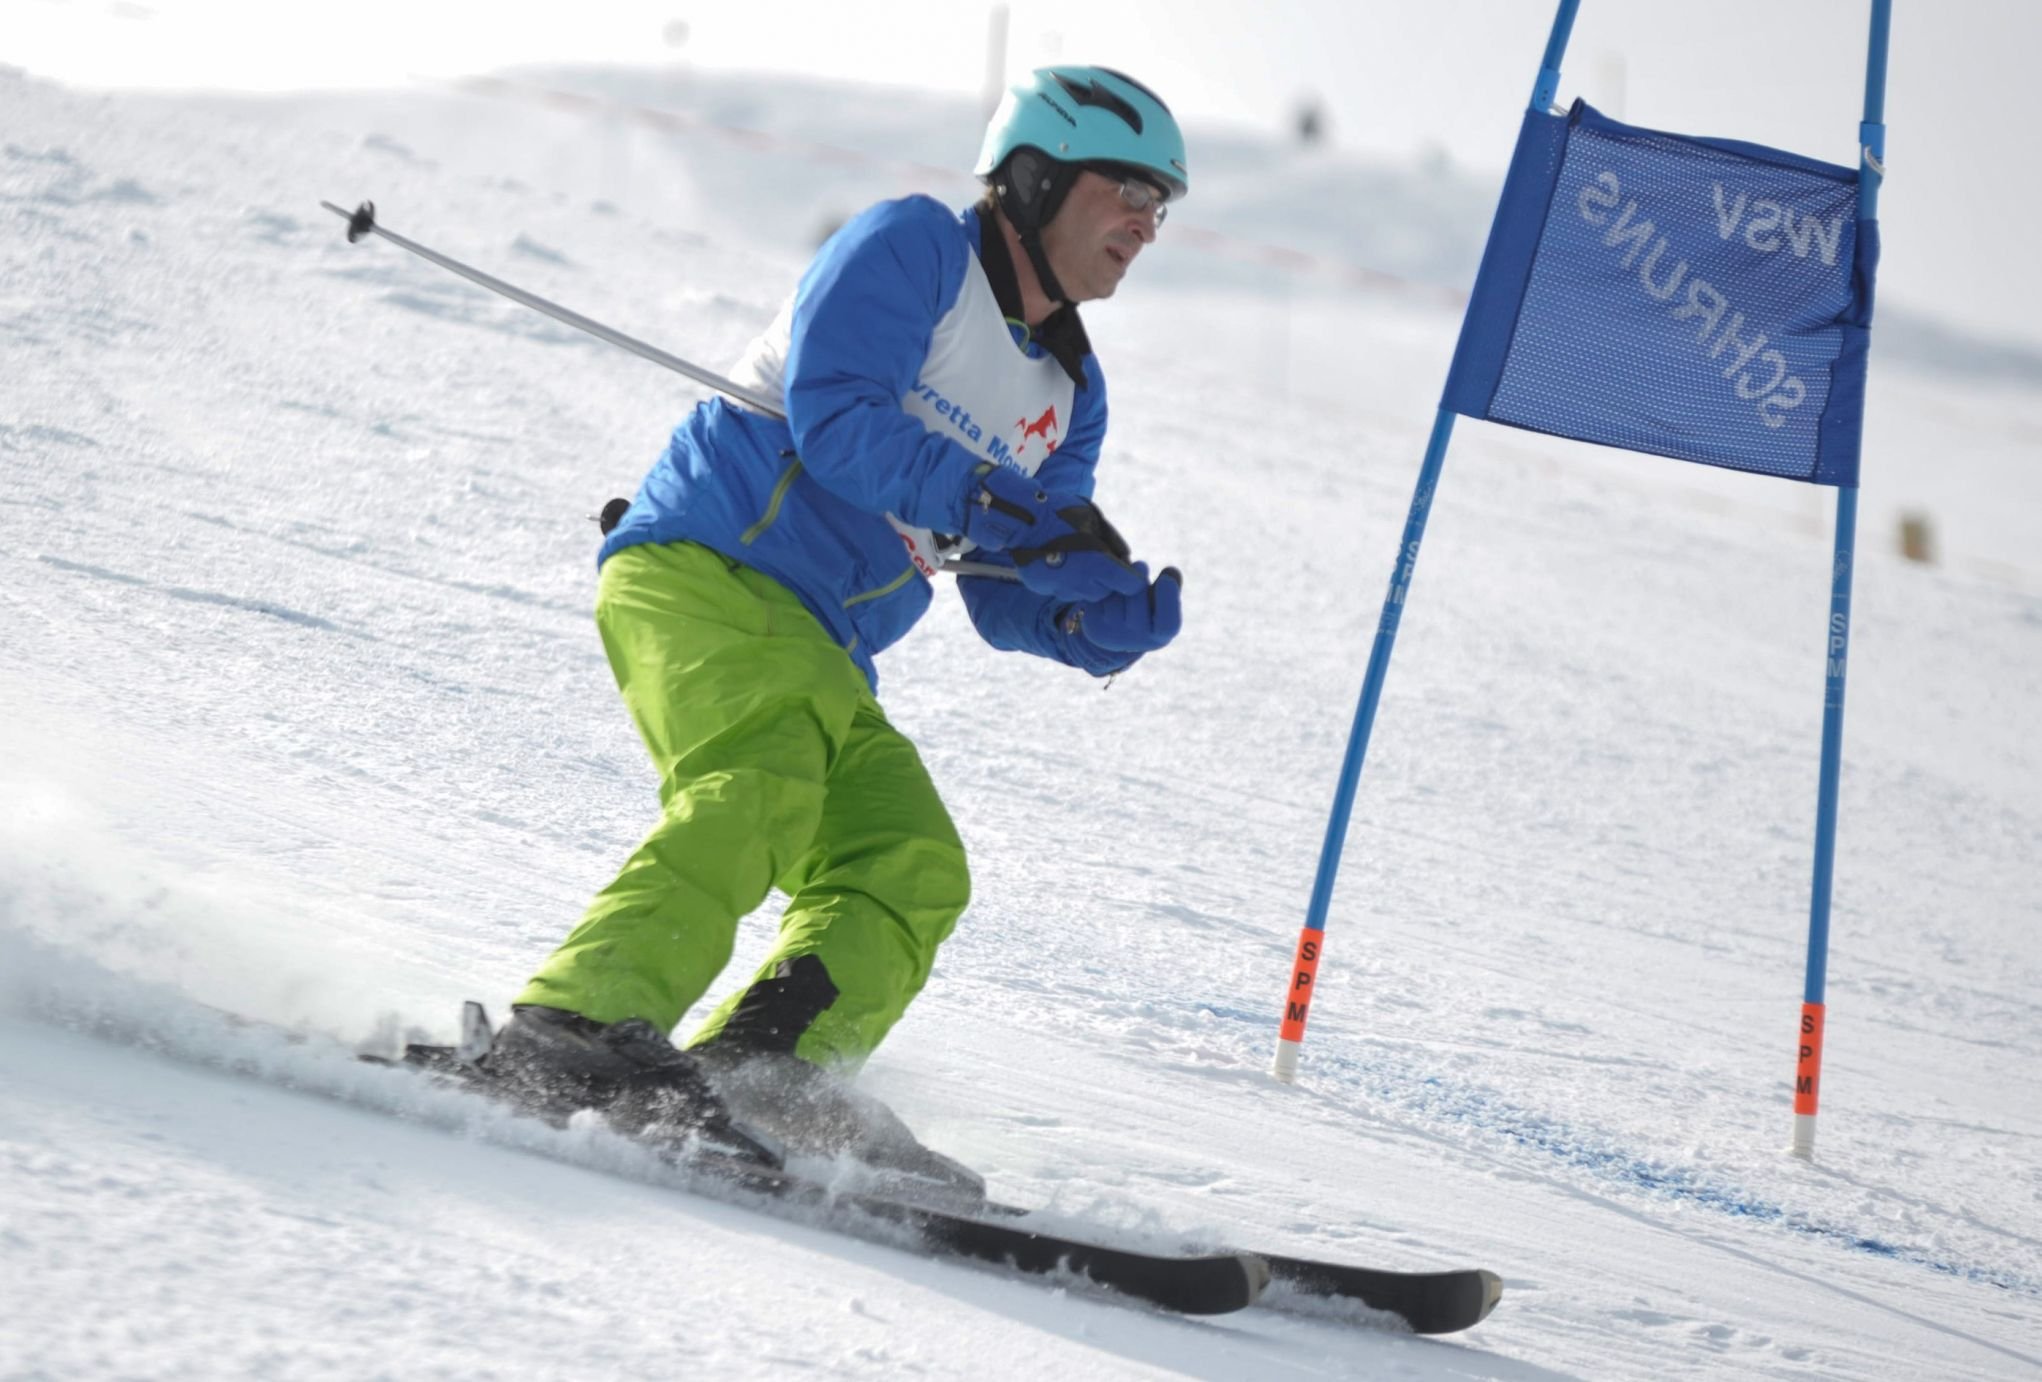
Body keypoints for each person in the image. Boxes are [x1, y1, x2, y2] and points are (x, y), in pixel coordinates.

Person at [484, 66, 1190, 1176]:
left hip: (821, 653)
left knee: (907, 856)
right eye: (1130, 190)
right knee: (759, 782)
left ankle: (768, 1071)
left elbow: (1001, 585)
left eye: (1163, 205)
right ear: (1036, 175)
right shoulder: (915, 249)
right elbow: (838, 419)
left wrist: (1082, 623)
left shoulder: (1071, 392)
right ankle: (573, 1029)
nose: (1147, 224)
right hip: (710, 566)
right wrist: (996, 501)